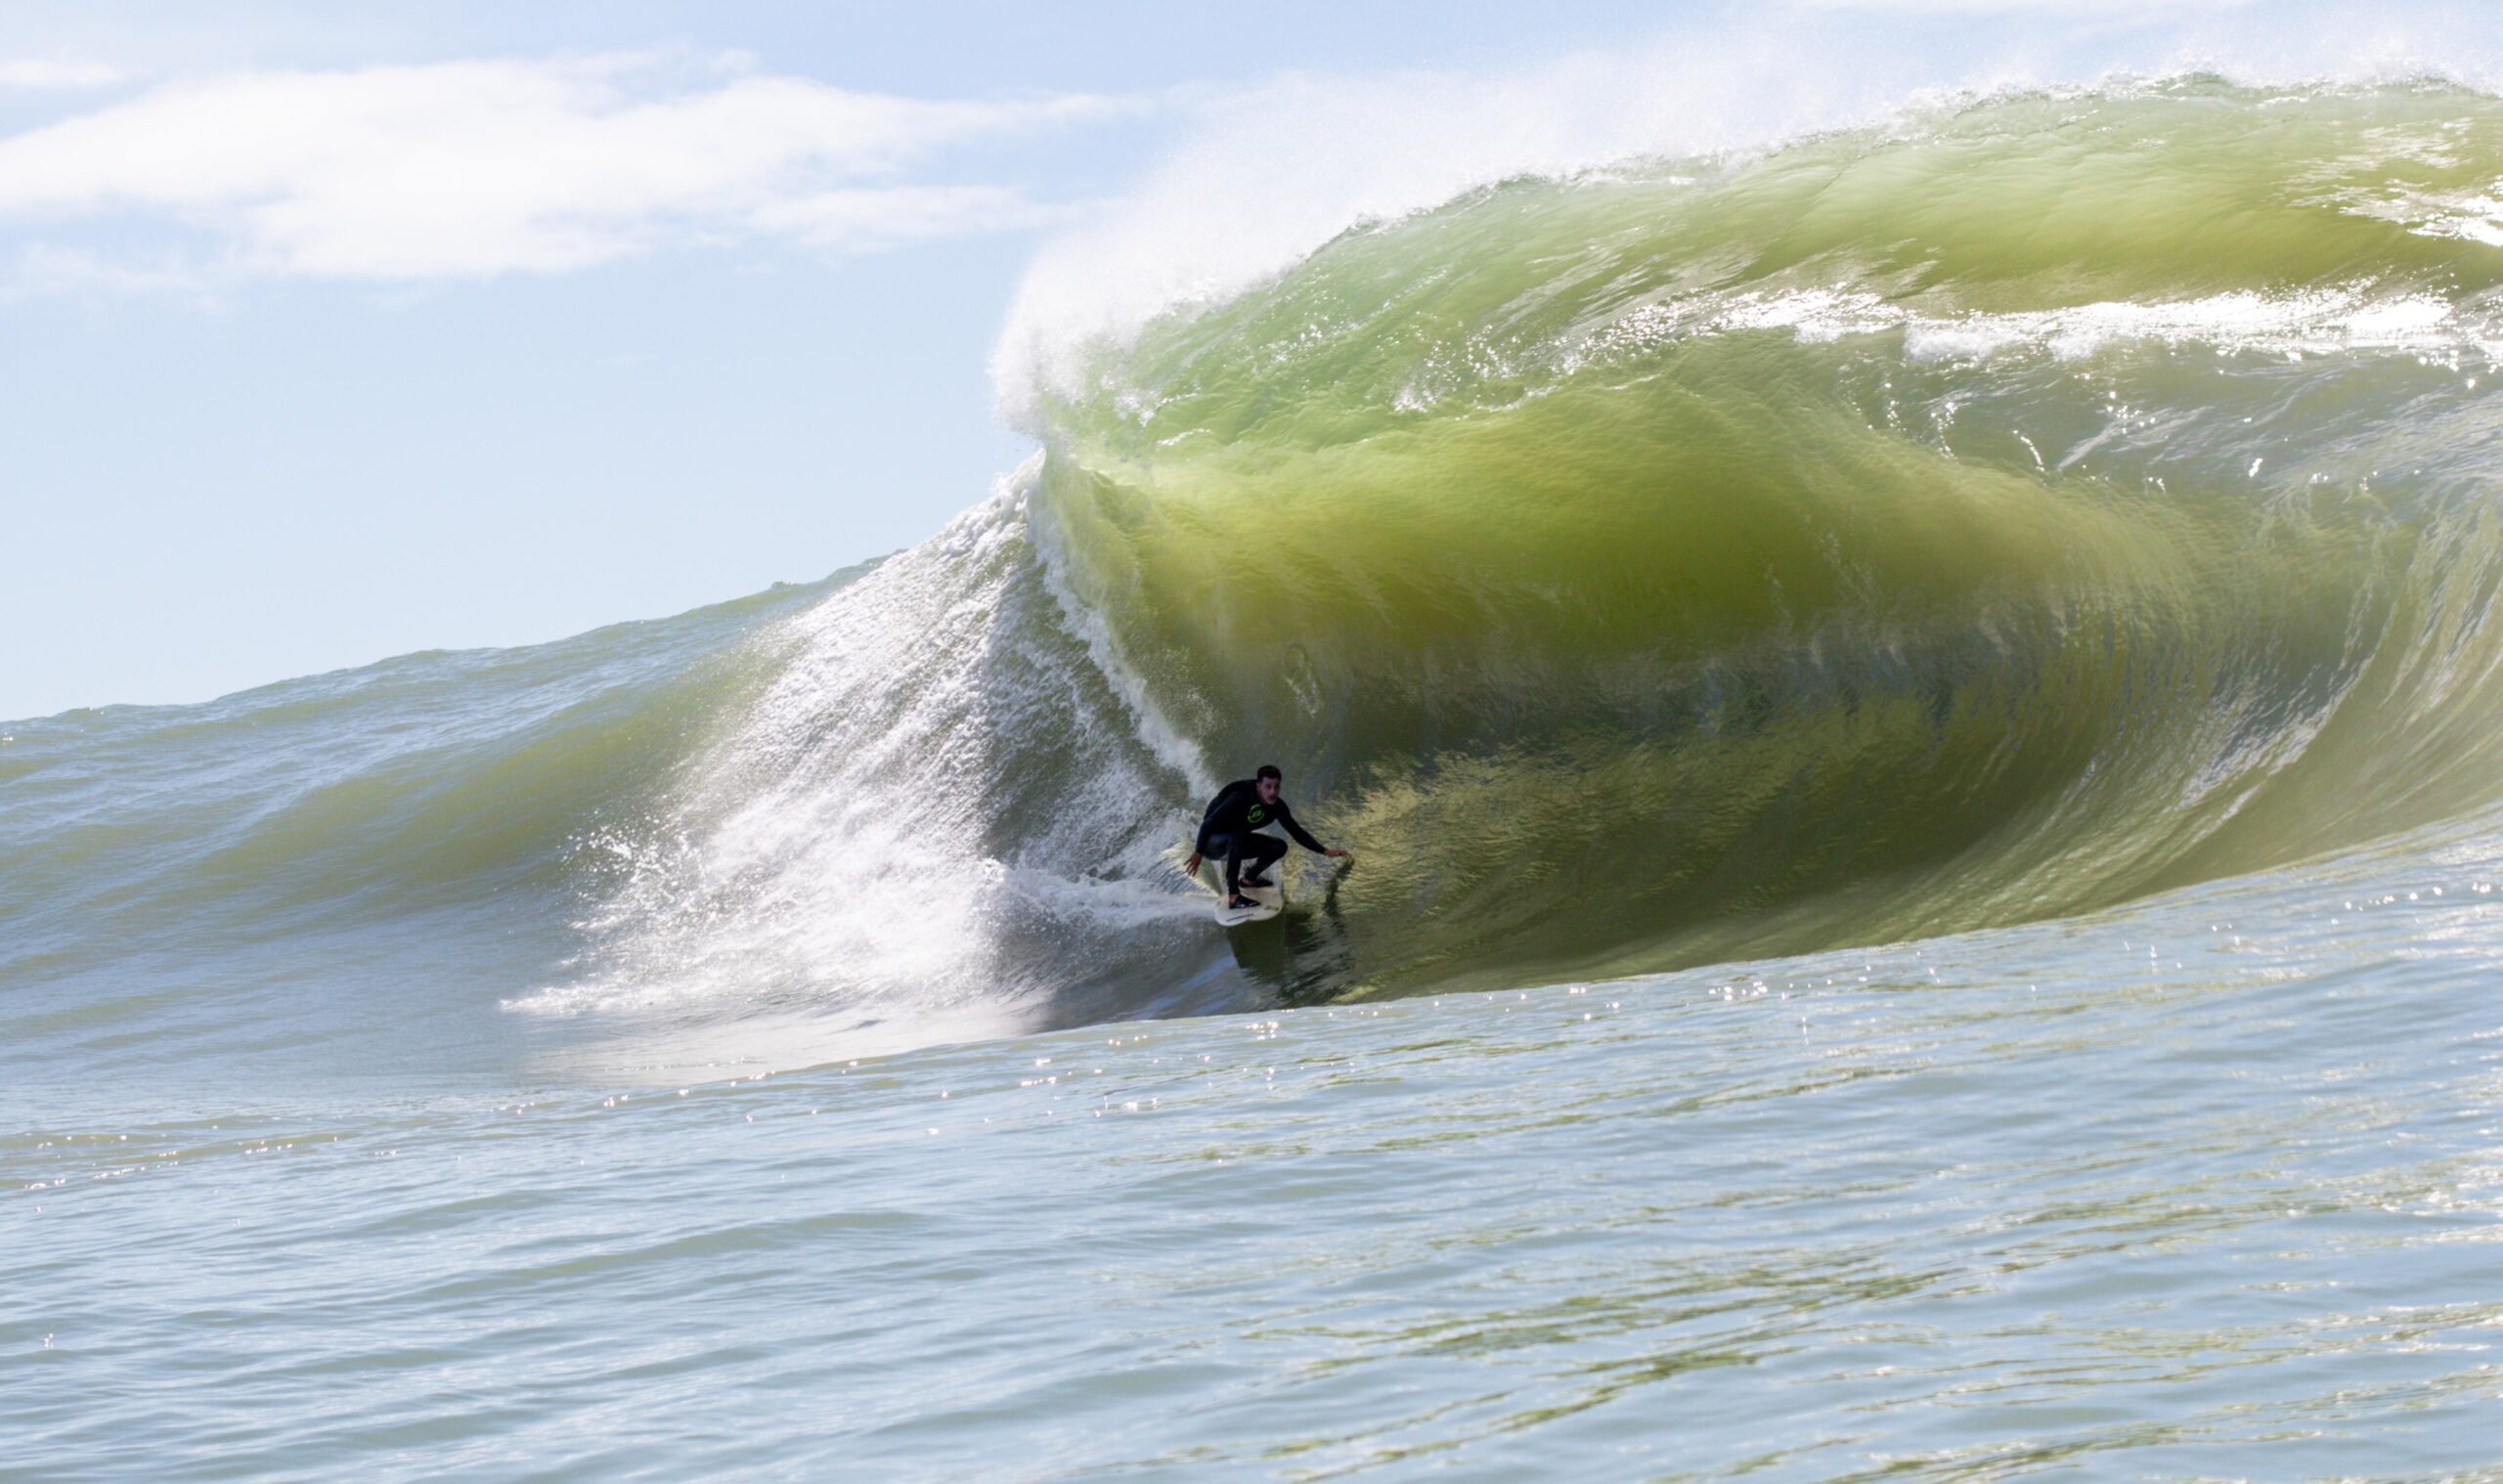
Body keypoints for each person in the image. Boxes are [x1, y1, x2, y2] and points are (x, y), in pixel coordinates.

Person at [1185, 764, 1352, 910]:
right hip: (1212, 843)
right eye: (1268, 787)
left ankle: (1248, 880)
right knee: (1239, 836)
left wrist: (1325, 851)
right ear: (1258, 786)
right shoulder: (1240, 798)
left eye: (1276, 787)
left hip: (1236, 843)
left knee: (1279, 846)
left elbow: (1297, 832)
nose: (1273, 792)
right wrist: (1198, 852)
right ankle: (1234, 897)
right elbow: (1207, 824)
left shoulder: (1277, 807)